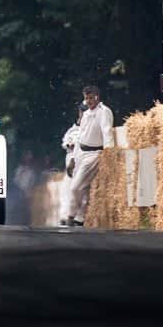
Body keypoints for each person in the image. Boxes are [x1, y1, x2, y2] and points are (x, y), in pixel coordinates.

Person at [65, 85, 114, 228]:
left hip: (94, 154)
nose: (89, 101)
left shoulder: (104, 112)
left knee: (75, 186)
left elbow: (107, 132)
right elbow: (80, 136)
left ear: (97, 97)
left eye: (91, 98)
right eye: (86, 98)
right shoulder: (86, 114)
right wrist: (73, 158)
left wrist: (109, 152)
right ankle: (80, 219)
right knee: (84, 188)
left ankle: (71, 215)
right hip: (82, 152)